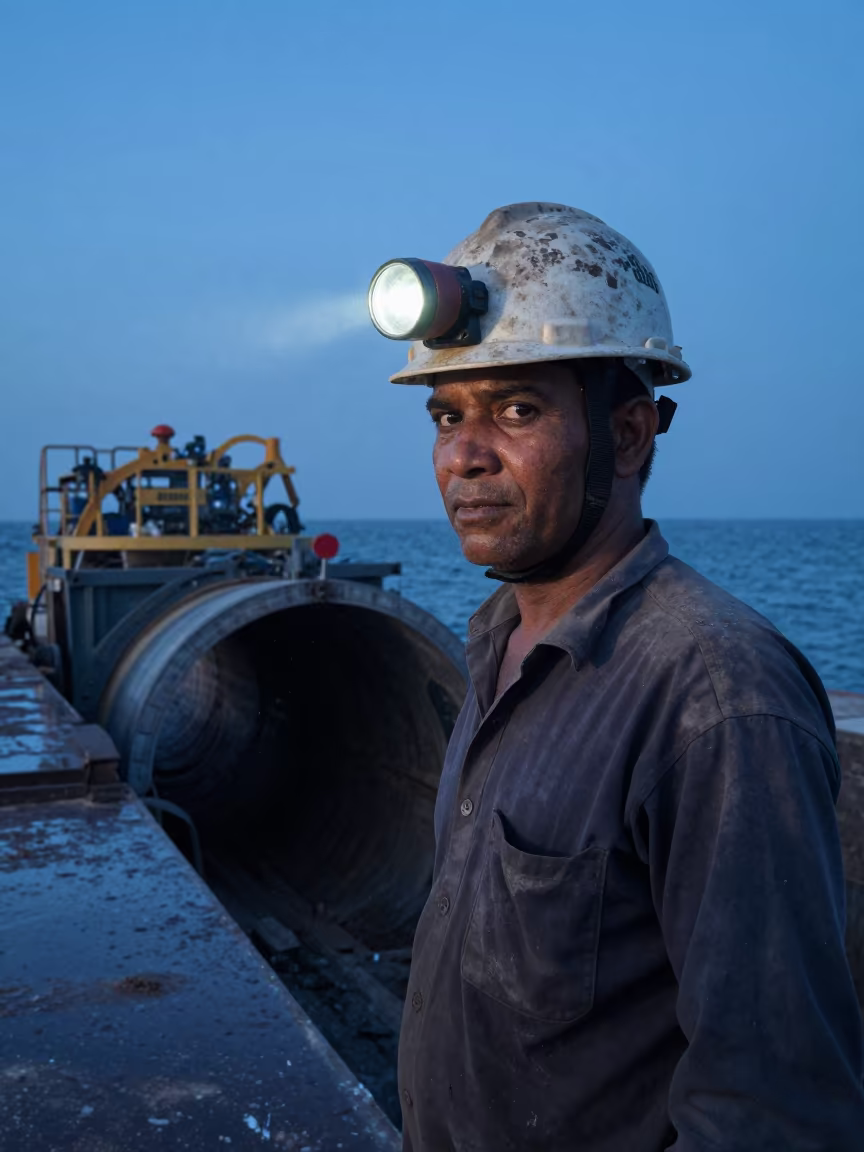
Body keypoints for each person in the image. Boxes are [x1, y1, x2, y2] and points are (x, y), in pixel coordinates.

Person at [368, 203, 864, 1150]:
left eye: (517, 409)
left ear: (631, 435)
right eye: (447, 415)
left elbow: (771, 1113)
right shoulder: (499, 644)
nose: (465, 455)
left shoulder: (716, 697)